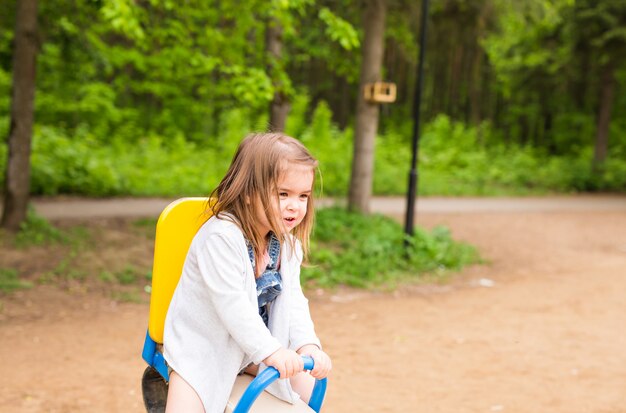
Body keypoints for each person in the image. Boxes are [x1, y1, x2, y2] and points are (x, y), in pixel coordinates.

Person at [163, 132, 332, 413]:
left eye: (303, 195)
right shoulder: (221, 239)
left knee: (308, 385)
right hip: (206, 348)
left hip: (251, 348)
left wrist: (307, 345)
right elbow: (234, 308)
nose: (295, 205)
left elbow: (294, 303)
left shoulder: (287, 244)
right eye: (283, 194)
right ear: (250, 193)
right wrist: (272, 352)